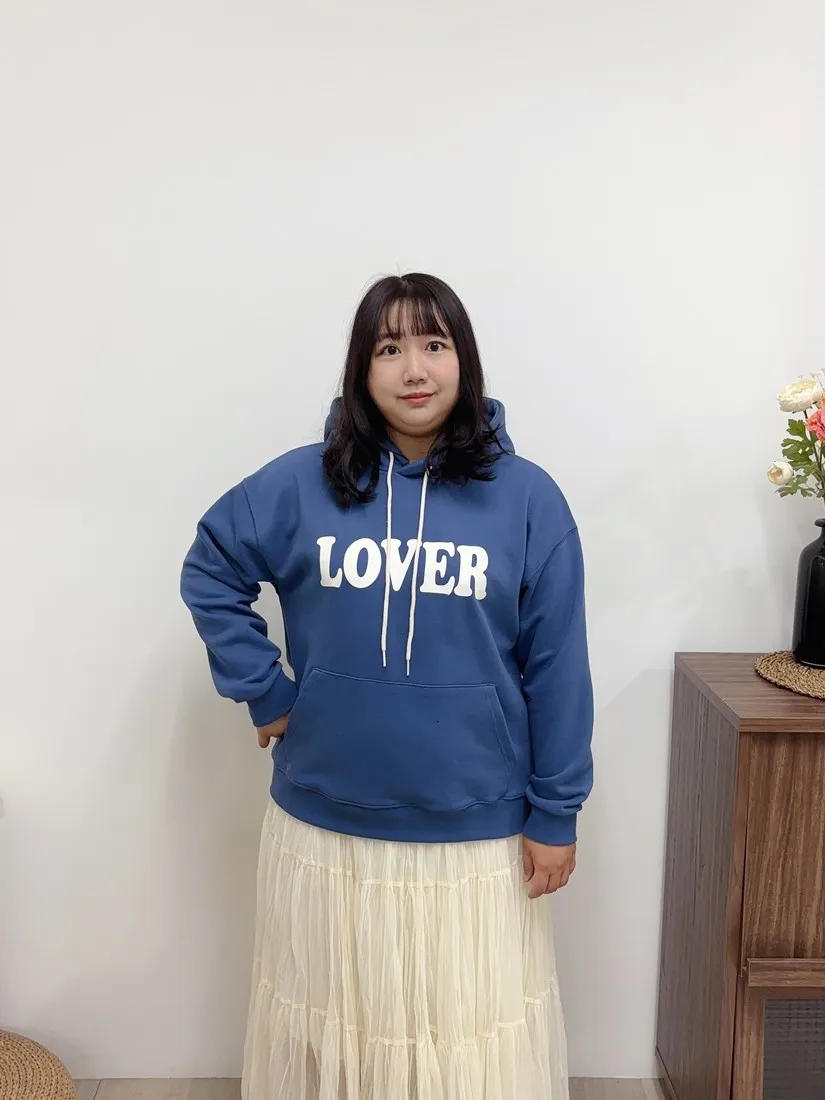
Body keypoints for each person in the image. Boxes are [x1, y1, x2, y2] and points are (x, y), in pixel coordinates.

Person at [180, 273, 594, 1100]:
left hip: (474, 834)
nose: (414, 368)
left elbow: (556, 665)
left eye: (434, 344)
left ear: (462, 359)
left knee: (459, 1046)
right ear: (361, 369)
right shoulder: (300, 484)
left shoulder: (527, 499)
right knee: (338, 1032)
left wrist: (556, 810)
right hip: (326, 825)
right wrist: (267, 691)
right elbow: (211, 567)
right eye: (389, 348)